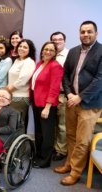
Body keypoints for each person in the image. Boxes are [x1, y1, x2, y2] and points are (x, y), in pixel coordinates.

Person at [54, 20, 102, 185]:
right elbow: (66, 75)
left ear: (96, 33)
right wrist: (69, 94)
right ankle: (69, 164)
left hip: (90, 104)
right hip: (71, 102)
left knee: (82, 140)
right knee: (71, 136)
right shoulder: (73, 51)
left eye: (89, 31)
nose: (86, 34)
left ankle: (75, 172)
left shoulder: (101, 51)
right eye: (83, 32)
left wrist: (80, 96)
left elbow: (100, 79)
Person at [31, 42, 64, 168]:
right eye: (46, 49)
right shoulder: (39, 64)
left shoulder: (55, 66)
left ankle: (45, 161)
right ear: (42, 50)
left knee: (47, 133)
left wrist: (48, 107)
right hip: (36, 102)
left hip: (46, 104)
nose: (48, 52)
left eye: (51, 50)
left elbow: (54, 88)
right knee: (39, 131)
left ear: (55, 52)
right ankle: (38, 155)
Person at [7, 39, 36, 128]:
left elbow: (22, 81)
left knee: (17, 124)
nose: (22, 49)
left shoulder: (29, 62)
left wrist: (6, 90)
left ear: (30, 50)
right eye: (20, 46)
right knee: (11, 124)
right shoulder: (17, 60)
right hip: (12, 96)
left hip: (20, 98)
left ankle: (21, 142)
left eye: (25, 47)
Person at [50, 31, 69, 161]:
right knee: (52, 123)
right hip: (50, 95)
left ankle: (61, 150)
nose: (57, 41)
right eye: (54, 40)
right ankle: (54, 146)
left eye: (60, 39)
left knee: (62, 125)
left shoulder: (70, 55)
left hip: (63, 95)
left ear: (64, 41)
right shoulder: (49, 55)